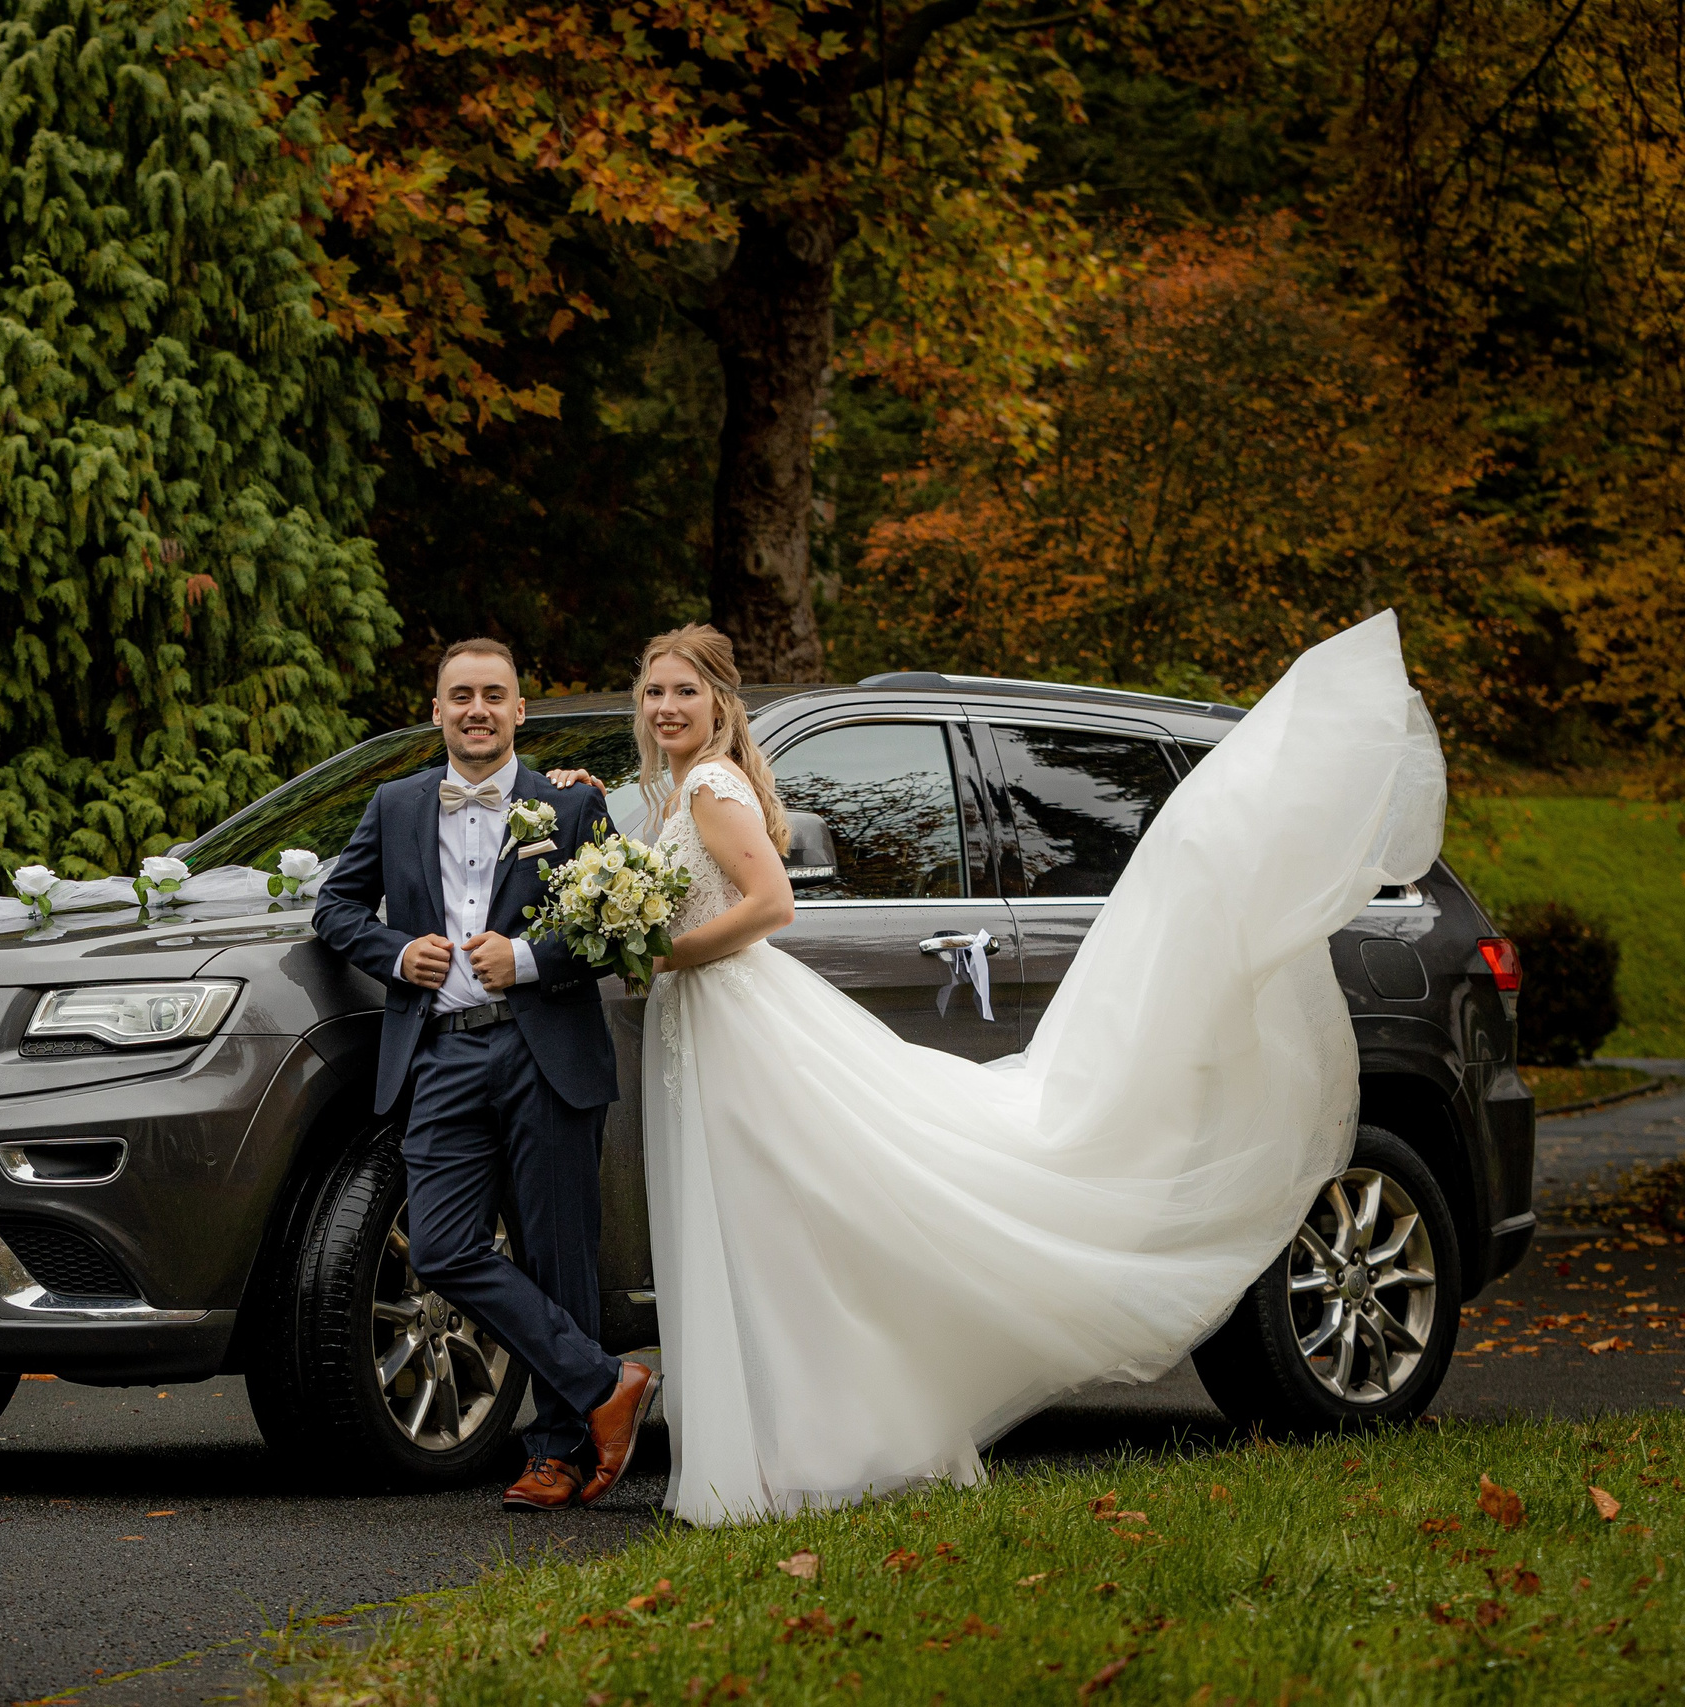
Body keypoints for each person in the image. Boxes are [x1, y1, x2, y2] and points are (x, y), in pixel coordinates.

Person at [550, 615, 1444, 1523]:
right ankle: (787, 1448)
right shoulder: (677, 791)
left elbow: (771, 902)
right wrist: (591, 816)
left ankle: (804, 1450)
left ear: (719, 701)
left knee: (789, 1229)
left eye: (686, 690)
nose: (666, 706)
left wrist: (665, 953)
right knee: (770, 1231)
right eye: (654, 691)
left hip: (735, 1020)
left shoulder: (711, 784)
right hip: (708, 1023)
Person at [312, 638, 661, 1511]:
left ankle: (558, 1453)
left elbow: (617, 927)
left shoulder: (572, 804)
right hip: (440, 1051)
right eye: (461, 694)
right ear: (437, 710)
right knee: (438, 1245)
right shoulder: (395, 804)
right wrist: (398, 953)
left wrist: (529, 959)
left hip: (547, 1051)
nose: (477, 709)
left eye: (494, 694)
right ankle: (605, 1380)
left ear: (518, 710)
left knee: (557, 1255)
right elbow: (335, 907)